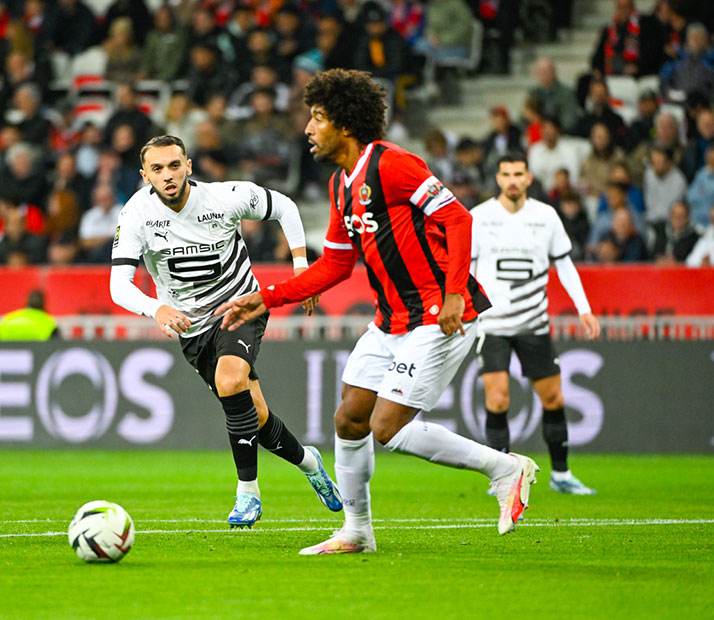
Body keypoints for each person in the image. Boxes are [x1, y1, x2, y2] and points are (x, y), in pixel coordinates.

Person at [217, 69, 538, 554]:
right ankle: (357, 532)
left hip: (439, 314)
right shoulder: (342, 185)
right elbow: (338, 264)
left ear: (345, 124)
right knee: (350, 419)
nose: (308, 128)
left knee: (388, 427)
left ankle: (505, 468)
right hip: (391, 322)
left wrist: (453, 293)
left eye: (318, 118)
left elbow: (457, 218)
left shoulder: (392, 165)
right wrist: (270, 296)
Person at [110, 135, 342, 528]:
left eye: (174, 165)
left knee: (230, 378)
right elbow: (119, 285)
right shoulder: (136, 214)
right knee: (257, 416)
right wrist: (157, 308)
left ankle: (247, 493)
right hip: (192, 327)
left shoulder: (225, 197)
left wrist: (301, 266)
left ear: (188, 166)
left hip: (241, 305)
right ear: (144, 175)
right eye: (157, 169)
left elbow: (284, 206)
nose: (167, 175)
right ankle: (309, 462)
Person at [471, 154, 600, 496]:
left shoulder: (546, 216)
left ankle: (561, 473)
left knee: (554, 398)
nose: (512, 180)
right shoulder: (480, 218)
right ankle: (502, 478)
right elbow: (465, 269)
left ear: (528, 178)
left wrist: (584, 309)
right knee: (497, 400)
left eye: (518, 173)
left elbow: (565, 265)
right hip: (493, 323)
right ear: (498, 179)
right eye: (506, 174)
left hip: (533, 324)